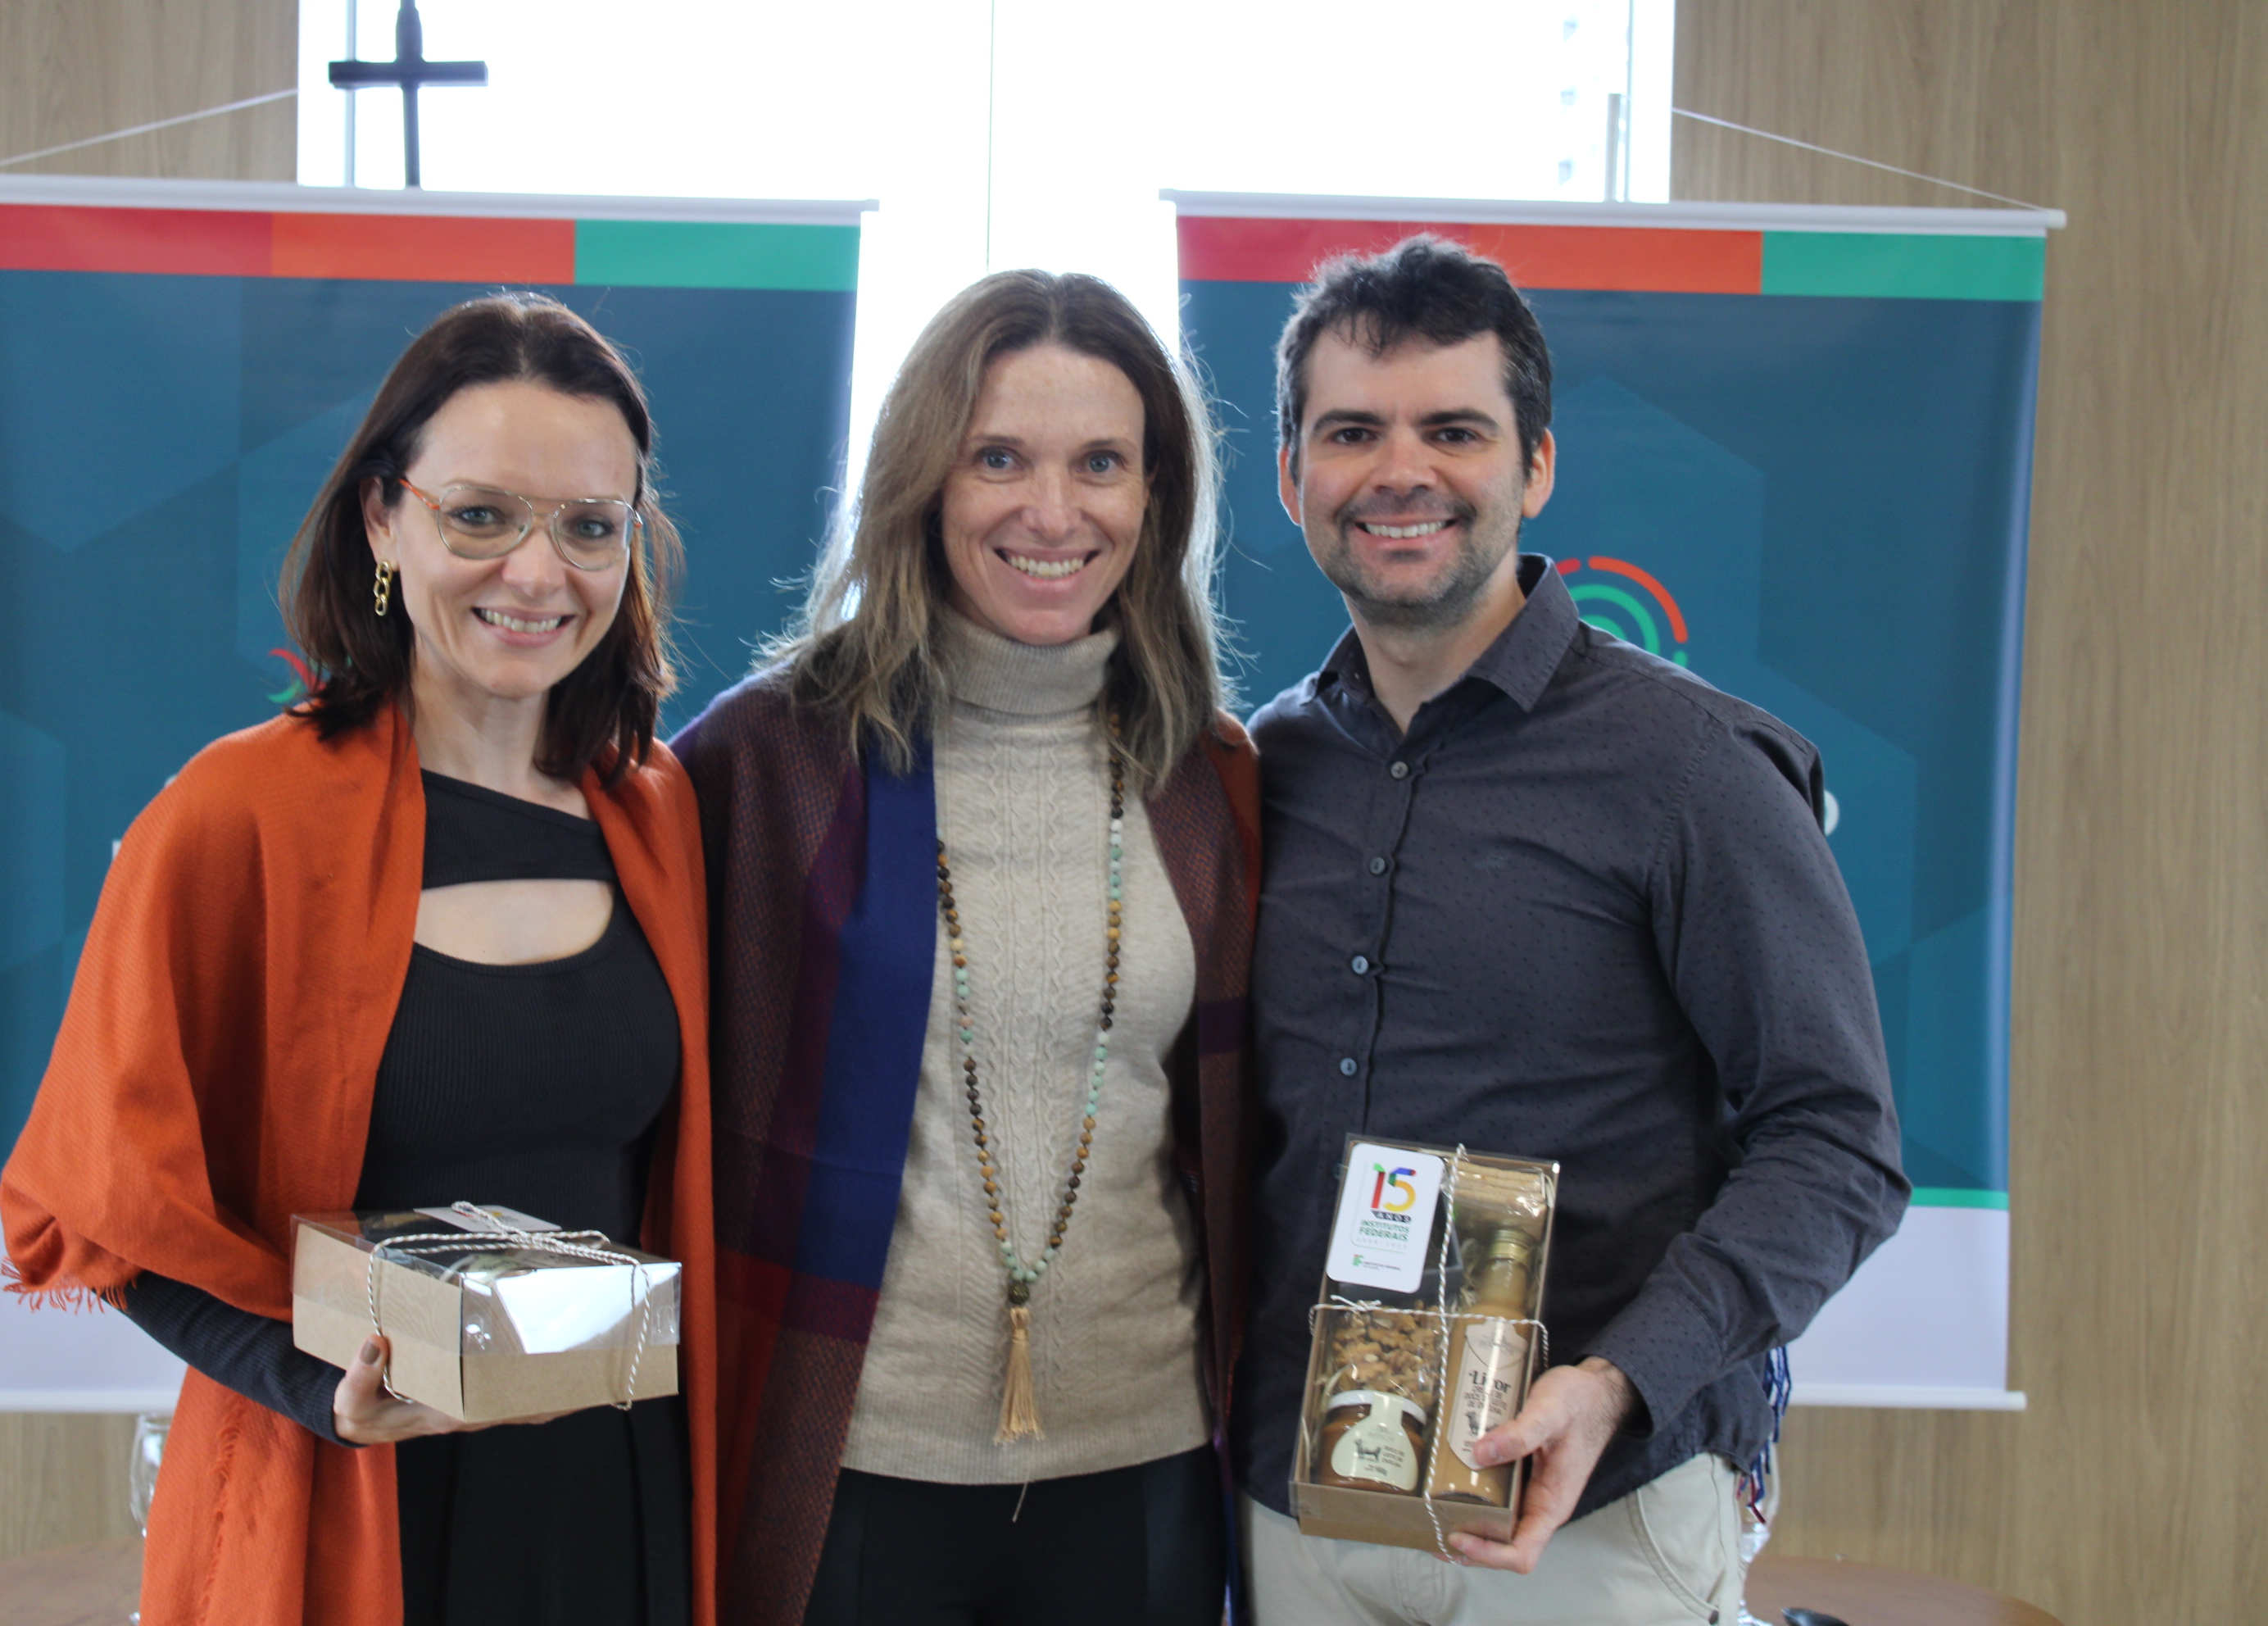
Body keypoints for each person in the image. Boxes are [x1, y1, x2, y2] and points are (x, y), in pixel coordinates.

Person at [0, 293, 719, 1626]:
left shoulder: (658, 812)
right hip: (347, 1495)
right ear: (385, 518)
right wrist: (312, 1385)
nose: (538, 574)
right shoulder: (238, 817)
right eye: (481, 516)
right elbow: (106, 1209)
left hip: (615, 1510)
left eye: (589, 526)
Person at [1232, 234, 1909, 1624]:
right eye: (1352, 433)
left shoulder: (1694, 769)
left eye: (1454, 431)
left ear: (1536, 467)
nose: (1401, 472)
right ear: (1292, 476)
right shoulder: (1259, 768)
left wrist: (1621, 1381)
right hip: (1298, 1504)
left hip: (1583, 1517)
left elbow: (1838, 1143)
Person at [672, 270, 1259, 1626]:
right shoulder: (768, 762)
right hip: (852, 1462)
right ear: (923, 481)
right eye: (999, 458)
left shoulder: (1208, 777)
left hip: (1147, 1461)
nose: (1053, 512)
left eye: (1100, 463)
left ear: (1155, 496)